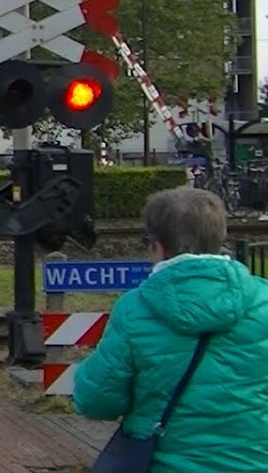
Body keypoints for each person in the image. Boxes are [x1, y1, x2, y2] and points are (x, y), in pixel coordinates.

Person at [73, 187, 268, 472]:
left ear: (158, 246)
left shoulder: (135, 309)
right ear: (220, 238)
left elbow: (96, 401)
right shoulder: (263, 300)